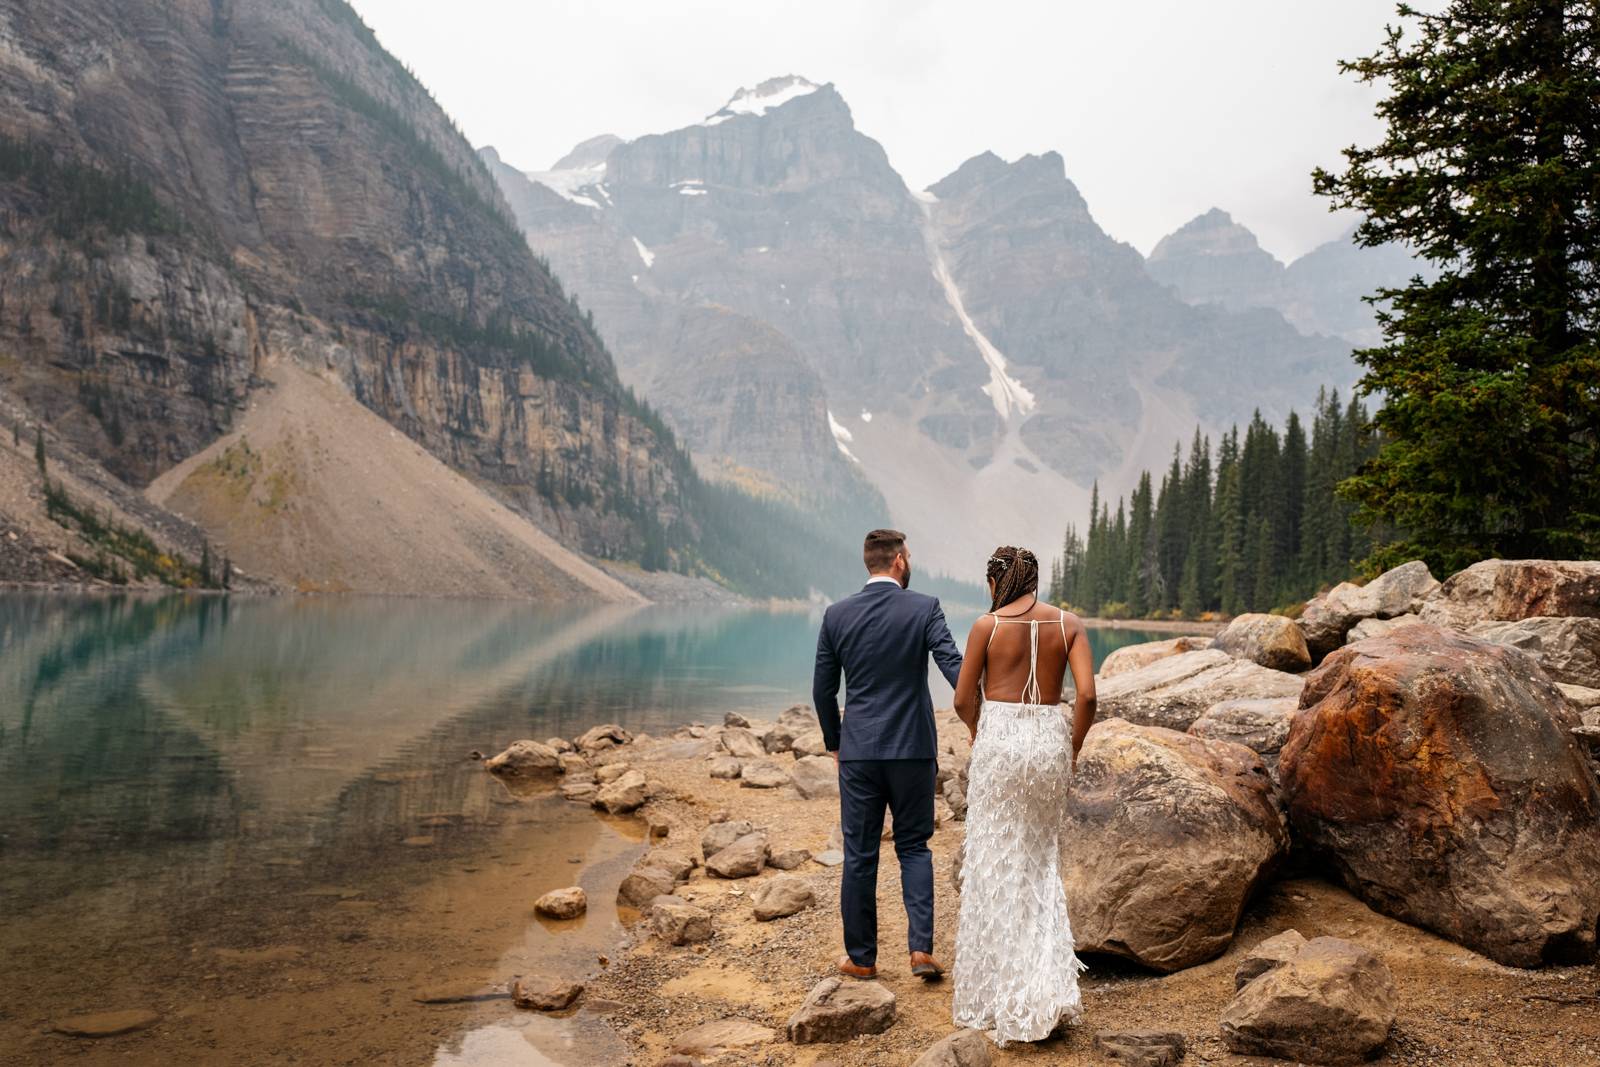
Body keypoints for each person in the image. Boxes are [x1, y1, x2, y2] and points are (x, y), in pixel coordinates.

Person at [950, 545, 1097, 1045]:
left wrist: (978, 730)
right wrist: (1070, 746)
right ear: (1035, 580)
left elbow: (961, 698)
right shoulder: (1068, 624)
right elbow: (1089, 696)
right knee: (1038, 863)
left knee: (994, 866)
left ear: (996, 582)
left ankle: (999, 995)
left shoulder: (986, 627)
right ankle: (1045, 990)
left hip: (1000, 744)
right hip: (1048, 740)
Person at [812, 528, 963, 981]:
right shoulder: (925, 608)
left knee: (859, 854)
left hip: (859, 752)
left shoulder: (836, 615)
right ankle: (920, 951)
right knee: (914, 847)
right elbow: (953, 666)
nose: (910, 560)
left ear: (870, 562)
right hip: (913, 748)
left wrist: (835, 742)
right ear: (898, 561)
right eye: (909, 555)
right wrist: (984, 713)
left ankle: (862, 959)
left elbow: (823, 689)